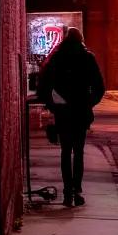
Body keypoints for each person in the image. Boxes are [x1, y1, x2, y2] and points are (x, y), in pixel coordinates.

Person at [37, 27, 105, 206]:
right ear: (81, 39)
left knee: (65, 152)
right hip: (81, 111)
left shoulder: (57, 58)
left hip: (63, 112)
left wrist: (53, 106)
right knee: (79, 152)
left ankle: (67, 193)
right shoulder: (88, 57)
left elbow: (43, 86)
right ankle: (76, 190)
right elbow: (99, 87)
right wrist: (89, 103)